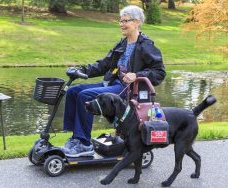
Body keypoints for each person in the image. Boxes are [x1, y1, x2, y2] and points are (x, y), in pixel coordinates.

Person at [63, 5, 166, 157]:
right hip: (112, 84)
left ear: (137, 22)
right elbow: (104, 64)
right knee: (73, 91)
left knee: (85, 95)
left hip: (127, 90)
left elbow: (160, 72)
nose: (121, 24)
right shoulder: (122, 44)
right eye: (120, 21)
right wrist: (81, 71)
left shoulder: (146, 45)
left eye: (125, 21)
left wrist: (136, 75)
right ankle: (76, 138)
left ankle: (84, 143)